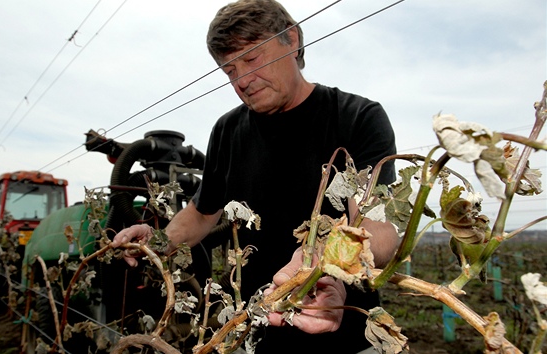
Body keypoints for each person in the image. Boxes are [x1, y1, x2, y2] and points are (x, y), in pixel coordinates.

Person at [112, 0, 399, 352]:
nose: (243, 81)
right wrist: (158, 242)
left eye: (252, 58)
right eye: (229, 71)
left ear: (291, 40)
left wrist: (319, 265)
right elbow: (202, 213)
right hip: (252, 334)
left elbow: (379, 231)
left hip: (345, 331)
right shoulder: (228, 130)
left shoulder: (357, 118)